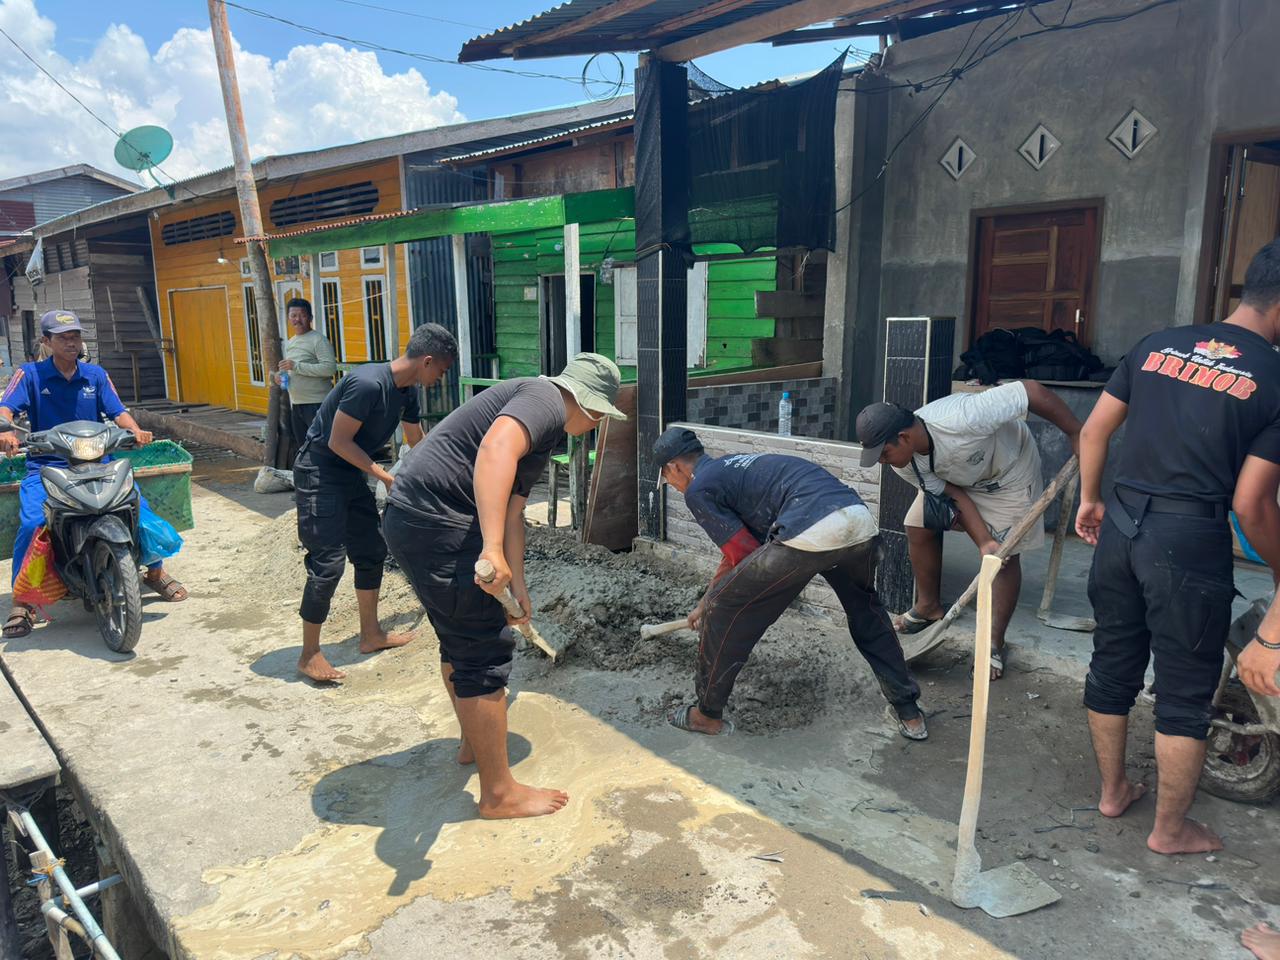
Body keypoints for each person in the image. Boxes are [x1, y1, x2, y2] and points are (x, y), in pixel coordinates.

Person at [1074, 237, 1280, 856]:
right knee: (1186, 693)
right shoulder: (1275, 377)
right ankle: (1169, 831)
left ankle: (1113, 792)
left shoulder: (1156, 344)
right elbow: (1252, 503)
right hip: (1188, 538)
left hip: (1121, 524)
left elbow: (1094, 430)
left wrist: (1090, 499)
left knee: (1112, 665)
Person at [383, 353, 626, 819]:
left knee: (458, 637)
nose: (596, 425)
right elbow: (495, 450)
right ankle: (498, 794)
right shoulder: (544, 399)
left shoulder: (544, 428)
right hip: (438, 523)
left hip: (416, 520)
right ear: (590, 405)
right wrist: (491, 548)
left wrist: (519, 584)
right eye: (599, 416)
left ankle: (472, 743)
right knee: (481, 649)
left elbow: (514, 512)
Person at [653, 427, 927, 739]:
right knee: (865, 610)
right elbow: (737, 555)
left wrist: (712, 603)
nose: (673, 487)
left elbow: (744, 554)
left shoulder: (698, 488)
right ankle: (909, 712)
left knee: (723, 610)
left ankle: (706, 715)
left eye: (668, 479)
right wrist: (706, 598)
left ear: (674, 467)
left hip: (808, 530)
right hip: (858, 521)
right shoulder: (734, 468)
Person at [856, 380, 1082, 680]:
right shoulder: (905, 464)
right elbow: (953, 494)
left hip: (1008, 475)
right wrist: (983, 540)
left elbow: (1030, 391)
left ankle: (992, 642)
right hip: (960, 479)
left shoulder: (963, 417)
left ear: (904, 437)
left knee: (1003, 557)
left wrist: (1076, 433)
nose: (882, 463)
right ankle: (928, 606)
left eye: (884, 453)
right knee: (917, 524)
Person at [0, 310, 187, 638]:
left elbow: (118, 411)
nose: (71, 342)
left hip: (99, 461)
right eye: (63, 337)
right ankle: (23, 601)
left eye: (75, 336)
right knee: (33, 523)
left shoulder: (96, 375)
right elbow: (6, 408)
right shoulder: (29, 374)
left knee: (138, 510)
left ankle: (155, 573)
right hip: (49, 464)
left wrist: (135, 430)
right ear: (47, 341)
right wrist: (6, 431)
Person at [293, 322, 456, 683]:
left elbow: (416, 441)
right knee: (327, 562)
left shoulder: (407, 391)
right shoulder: (367, 383)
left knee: (370, 551)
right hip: (319, 471)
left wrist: (443, 476)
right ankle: (309, 654)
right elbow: (337, 442)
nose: (440, 380)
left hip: (350, 473)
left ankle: (371, 634)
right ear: (427, 361)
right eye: (442, 371)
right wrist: (385, 477)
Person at [275, 298, 337, 450]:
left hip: (317, 403)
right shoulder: (291, 341)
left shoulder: (318, 340)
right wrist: (280, 377)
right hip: (297, 404)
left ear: (310, 318)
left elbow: (329, 368)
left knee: (321, 447)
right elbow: (293, 369)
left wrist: (296, 366)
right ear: (288, 318)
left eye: (302, 315)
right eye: (293, 316)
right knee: (304, 448)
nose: (297, 319)